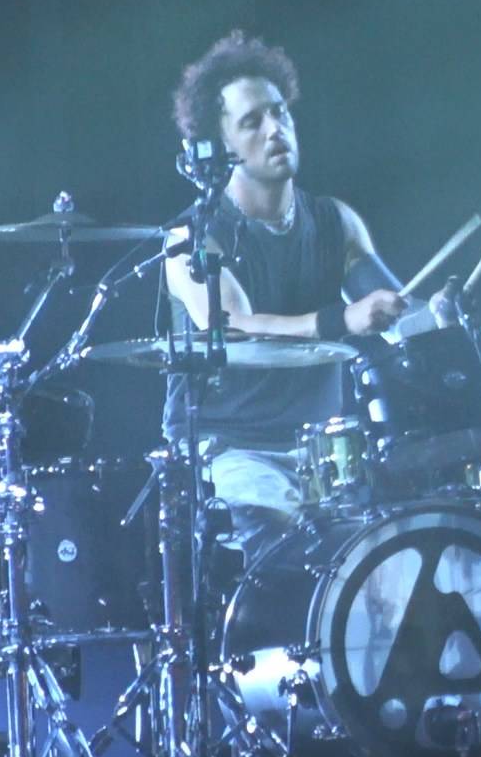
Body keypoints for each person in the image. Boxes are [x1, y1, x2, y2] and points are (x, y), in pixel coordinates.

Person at [162, 30, 417, 560]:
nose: (275, 129)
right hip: (231, 451)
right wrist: (340, 320)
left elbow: (391, 311)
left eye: (280, 113)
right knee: (294, 558)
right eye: (252, 122)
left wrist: (434, 314)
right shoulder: (193, 237)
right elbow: (233, 324)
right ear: (220, 147)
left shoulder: (335, 221)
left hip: (325, 452)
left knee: (395, 550)